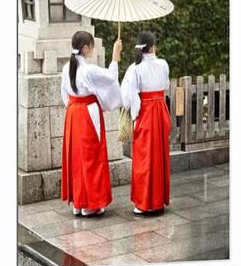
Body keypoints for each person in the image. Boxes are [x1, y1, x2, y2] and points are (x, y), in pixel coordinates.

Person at [61, 31, 123, 217]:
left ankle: (78, 203)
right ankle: (91, 205)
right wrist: (115, 55)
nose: (93, 49)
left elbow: (64, 94)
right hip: (88, 114)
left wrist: (74, 108)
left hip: (73, 113)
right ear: (86, 48)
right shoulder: (89, 70)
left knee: (77, 158)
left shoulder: (67, 67)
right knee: (91, 158)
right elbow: (112, 77)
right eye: (92, 45)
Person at [121, 31, 171, 215]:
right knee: (160, 156)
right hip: (160, 109)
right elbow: (166, 86)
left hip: (146, 112)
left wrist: (135, 116)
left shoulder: (135, 68)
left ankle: (144, 202)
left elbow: (128, 97)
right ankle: (158, 201)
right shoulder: (163, 64)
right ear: (153, 47)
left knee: (144, 157)